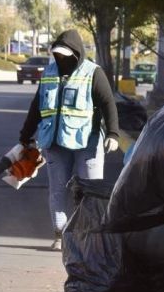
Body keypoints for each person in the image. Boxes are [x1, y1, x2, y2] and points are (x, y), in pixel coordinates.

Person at [17, 29, 120, 250]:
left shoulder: (93, 72)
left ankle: (89, 236)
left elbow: (108, 103)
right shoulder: (49, 73)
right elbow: (37, 106)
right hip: (55, 142)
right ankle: (60, 235)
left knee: (90, 191)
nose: (61, 59)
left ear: (76, 53)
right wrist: (26, 135)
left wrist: (113, 133)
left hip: (88, 141)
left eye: (65, 55)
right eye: (58, 55)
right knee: (58, 190)